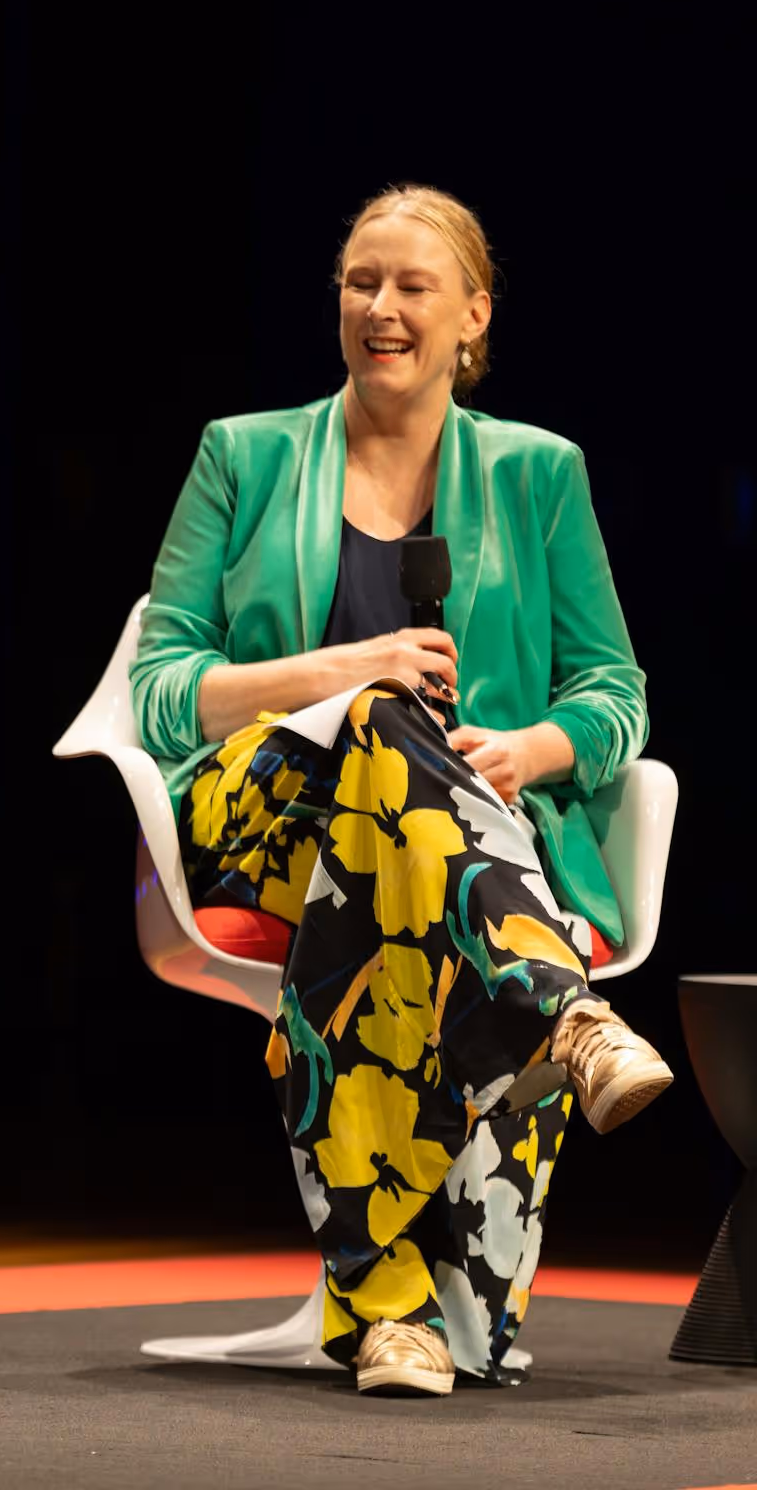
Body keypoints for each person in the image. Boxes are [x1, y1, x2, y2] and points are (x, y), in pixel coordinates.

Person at [130, 185, 672, 1397]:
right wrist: (335, 673)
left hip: (441, 841)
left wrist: (532, 750)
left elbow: (612, 689)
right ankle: (555, 1007)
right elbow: (161, 688)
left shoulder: (538, 474)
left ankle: (391, 1316)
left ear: (470, 314)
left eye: (409, 286)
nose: (378, 308)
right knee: (378, 718)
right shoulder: (244, 453)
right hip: (256, 810)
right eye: (357, 284)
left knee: (476, 1345)